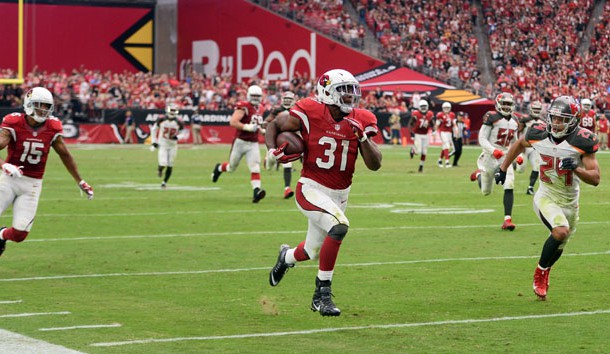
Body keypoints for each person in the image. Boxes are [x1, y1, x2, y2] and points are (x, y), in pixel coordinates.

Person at [265, 69, 382, 316]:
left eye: (352, 91)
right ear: (327, 92)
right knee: (339, 226)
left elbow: (375, 164)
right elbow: (274, 124)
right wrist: (269, 151)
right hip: (311, 187)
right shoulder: (310, 110)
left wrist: (362, 138)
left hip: (340, 193)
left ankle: (285, 257)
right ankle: (322, 295)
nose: (350, 96)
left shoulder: (362, 118)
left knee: (309, 251)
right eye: (344, 91)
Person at [495, 95, 600, 300]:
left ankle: (546, 269)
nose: (557, 123)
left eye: (562, 119)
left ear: (574, 120)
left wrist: (576, 169)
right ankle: (540, 272)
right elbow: (519, 143)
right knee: (560, 231)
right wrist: (502, 167)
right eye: (554, 117)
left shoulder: (582, 140)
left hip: (570, 201)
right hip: (546, 195)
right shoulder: (538, 133)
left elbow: (596, 178)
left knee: (561, 242)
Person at [0, 87, 94, 256]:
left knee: (20, 234)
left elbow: (64, 154)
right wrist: (3, 165)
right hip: (9, 180)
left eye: (46, 106)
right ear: (28, 104)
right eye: (39, 105)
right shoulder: (13, 122)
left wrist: (79, 180)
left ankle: (1, 235)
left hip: (32, 185)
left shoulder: (52, 126)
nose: (43, 110)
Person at [470, 92, 521, 230]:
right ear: (498, 104)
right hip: (490, 156)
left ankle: (507, 220)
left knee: (509, 184)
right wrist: (493, 150)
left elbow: (515, 142)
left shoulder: (515, 120)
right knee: (486, 191)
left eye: (508, 104)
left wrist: (517, 155)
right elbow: (482, 138)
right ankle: (479, 175)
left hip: (505, 156)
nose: (506, 106)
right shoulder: (491, 117)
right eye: (504, 103)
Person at [211, 85, 267, 203]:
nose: (256, 99)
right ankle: (219, 168)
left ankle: (256, 191)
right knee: (232, 167)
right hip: (240, 142)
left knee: (255, 167)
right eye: (254, 96)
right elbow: (233, 122)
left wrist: (262, 130)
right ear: (248, 96)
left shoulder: (261, 108)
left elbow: (257, 124)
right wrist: (247, 127)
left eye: (258, 96)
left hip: (253, 143)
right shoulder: (244, 106)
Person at [263, 91, 297, 199]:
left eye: (289, 100)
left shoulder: (296, 111)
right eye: (285, 99)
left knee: (288, 164)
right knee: (269, 167)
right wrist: (266, 123)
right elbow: (267, 121)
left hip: (287, 140)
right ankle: (268, 158)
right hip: (276, 139)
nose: (287, 102)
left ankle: (287, 189)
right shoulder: (277, 110)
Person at [150, 103, 184, 189]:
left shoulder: (179, 121)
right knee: (163, 163)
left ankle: (164, 182)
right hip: (163, 144)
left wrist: (178, 137)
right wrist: (154, 141)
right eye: (171, 110)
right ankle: (160, 170)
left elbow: (183, 133)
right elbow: (154, 129)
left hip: (173, 145)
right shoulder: (161, 119)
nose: (172, 112)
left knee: (170, 164)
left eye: (174, 110)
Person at [517, 100, 544, 195]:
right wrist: (519, 145)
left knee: (536, 167)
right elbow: (518, 131)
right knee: (520, 169)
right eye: (535, 109)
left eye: (538, 109)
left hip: (534, 148)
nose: (536, 111)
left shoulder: (543, 121)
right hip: (524, 147)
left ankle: (530, 188)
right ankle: (509, 165)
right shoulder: (525, 119)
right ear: (531, 109)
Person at [408, 99, 434, 172]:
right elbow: (410, 124)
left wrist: (434, 129)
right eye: (422, 107)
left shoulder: (429, 114)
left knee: (424, 152)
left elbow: (432, 123)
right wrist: (411, 132)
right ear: (419, 107)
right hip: (418, 134)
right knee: (418, 151)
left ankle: (421, 166)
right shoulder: (416, 114)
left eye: (424, 106)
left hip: (425, 135)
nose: (423, 108)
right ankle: (413, 149)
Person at [436, 102, 456, 168]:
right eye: (445, 108)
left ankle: (439, 160)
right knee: (447, 146)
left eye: (448, 108)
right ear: (443, 108)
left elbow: (454, 124)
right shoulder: (440, 115)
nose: (446, 109)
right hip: (443, 132)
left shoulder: (452, 115)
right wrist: (435, 131)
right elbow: (437, 124)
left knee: (445, 147)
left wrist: (456, 131)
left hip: (449, 132)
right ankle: (447, 162)